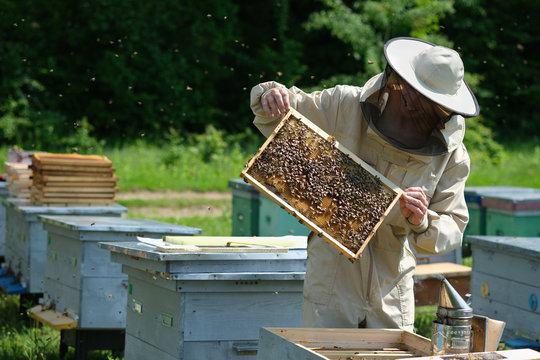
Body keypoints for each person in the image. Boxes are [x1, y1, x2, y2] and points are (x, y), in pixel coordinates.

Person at [249, 37, 479, 331]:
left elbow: (453, 228)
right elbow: (283, 111)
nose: (411, 101)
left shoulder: (452, 156)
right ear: (398, 77)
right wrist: (271, 95)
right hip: (331, 274)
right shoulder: (344, 105)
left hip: (390, 282)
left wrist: (423, 221)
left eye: (426, 100)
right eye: (410, 89)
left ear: (444, 107)